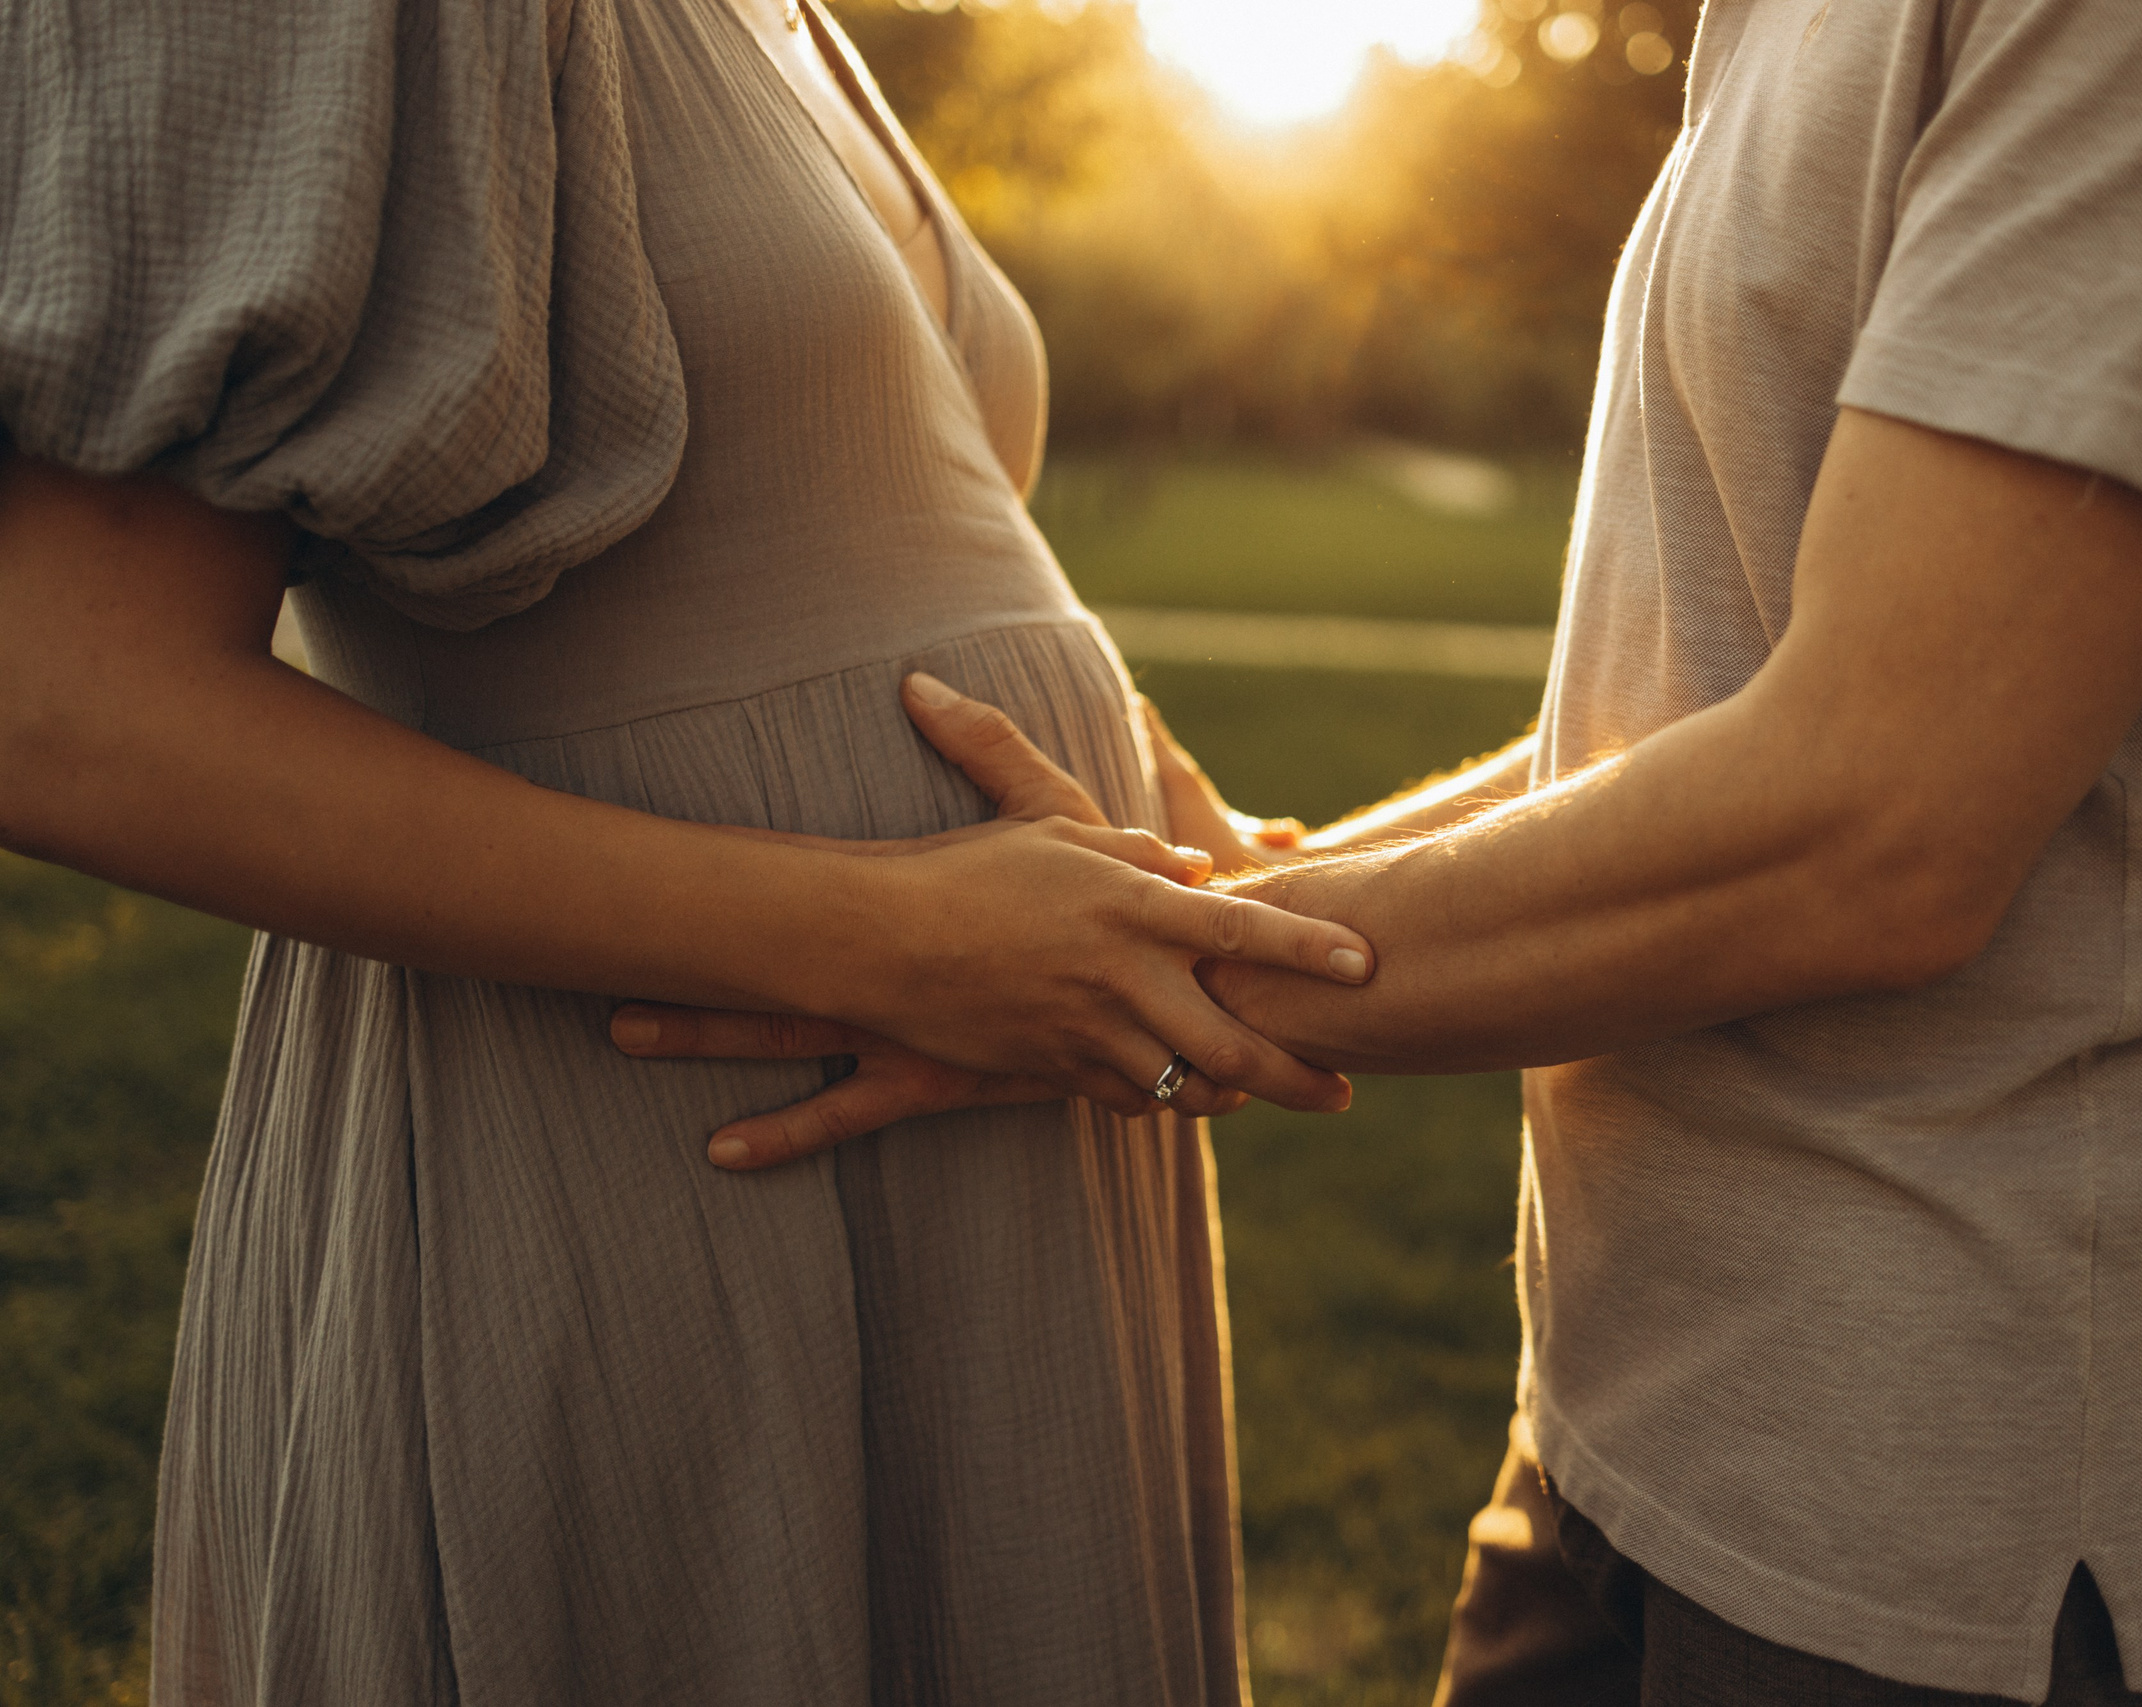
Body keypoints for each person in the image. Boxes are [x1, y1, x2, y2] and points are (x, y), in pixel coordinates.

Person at [659, 0, 2142, 1700]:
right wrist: (1184, 916)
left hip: (1947, 1499)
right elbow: (1692, 712)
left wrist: (1104, 973)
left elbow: (1878, 819)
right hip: (1633, 1406)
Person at [0, 0, 1380, 1701]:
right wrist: (891, 942)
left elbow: (885, 512)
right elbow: (58, 701)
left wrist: (1153, 794)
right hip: (659, 1146)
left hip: (1012, 1145)